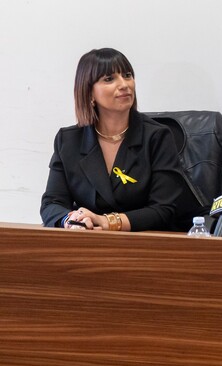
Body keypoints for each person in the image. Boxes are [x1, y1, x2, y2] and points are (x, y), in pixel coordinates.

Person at [40, 48, 190, 232]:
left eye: (127, 76)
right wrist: (71, 220)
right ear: (89, 92)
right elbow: (52, 203)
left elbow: (164, 209)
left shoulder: (157, 136)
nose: (124, 84)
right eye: (109, 79)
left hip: (145, 241)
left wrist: (106, 221)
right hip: (87, 240)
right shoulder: (68, 140)